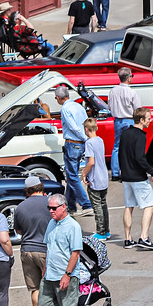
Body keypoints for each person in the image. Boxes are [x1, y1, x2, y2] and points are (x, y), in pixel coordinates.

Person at [39, 193, 84, 306]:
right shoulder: (51, 223)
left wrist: (67, 274)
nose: (51, 211)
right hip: (50, 274)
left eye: (54, 208)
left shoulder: (73, 226)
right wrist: (45, 268)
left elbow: (75, 253)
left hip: (65, 275)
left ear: (64, 207)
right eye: (49, 208)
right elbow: (48, 248)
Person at [119, 107, 153, 250]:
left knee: (129, 206)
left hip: (126, 177)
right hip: (138, 177)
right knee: (149, 205)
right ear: (141, 120)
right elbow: (140, 158)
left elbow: (120, 154)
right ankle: (144, 237)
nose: (150, 120)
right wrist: (152, 172)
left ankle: (128, 239)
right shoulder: (141, 135)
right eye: (148, 118)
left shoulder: (125, 133)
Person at [55, 85, 92, 216]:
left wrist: (83, 138)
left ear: (58, 98)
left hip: (73, 143)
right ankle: (71, 206)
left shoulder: (65, 109)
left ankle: (86, 204)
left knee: (71, 176)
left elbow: (73, 127)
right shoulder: (78, 106)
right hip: (80, 144)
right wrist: (86, 139)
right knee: (71, 175)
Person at [107, 67, 142, 179]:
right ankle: (127, 172)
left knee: (117, 146)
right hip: (129, 119)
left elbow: (110, 107)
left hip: (117, 120)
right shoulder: (132, 92)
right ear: (128, 78)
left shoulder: (113, 91)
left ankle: (115, 173)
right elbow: (138, 109)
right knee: (129, 147)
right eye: (131, 76)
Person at [80, 118, 111, 240]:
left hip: (95, 178)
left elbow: (91, 162)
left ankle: (101, 231)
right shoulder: (100, 140)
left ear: (86, 129)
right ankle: (106, 230)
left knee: (97, 205)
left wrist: (84, 173)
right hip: (103, 177)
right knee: (103, 204)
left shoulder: (89, 143)